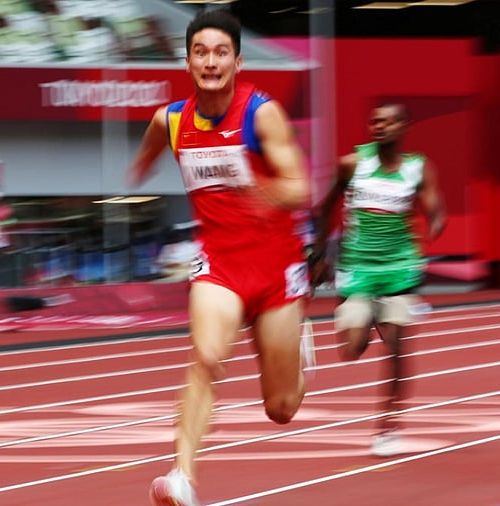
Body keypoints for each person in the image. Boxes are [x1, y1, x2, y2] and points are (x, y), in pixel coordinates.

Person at [126, 9, 311, 506]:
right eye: (201, 52)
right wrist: (139, 169)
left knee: (281, 408)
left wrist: (266, 193)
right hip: (221, 265)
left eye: (221, 52)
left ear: (237, 60)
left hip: (275, 269)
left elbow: (301, 187)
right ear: (187, 61)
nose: (211, 61)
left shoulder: (259, 113)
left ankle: (297, 354)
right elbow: (150, 148)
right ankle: (181, 476)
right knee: (205, 358)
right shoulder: (170, 120)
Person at [311, 103, 446, 457]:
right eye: (374, 121)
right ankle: (367, 313)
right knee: (351, 350)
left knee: (399, 350)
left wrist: (435, 219)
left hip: (399, 268)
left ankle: (388, 425)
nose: (380, 127)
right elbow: (325, 207)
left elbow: (434, 204)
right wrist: (320, 252)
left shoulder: (418, 168)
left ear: (404, 126)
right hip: (358, 268)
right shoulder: (352, 165)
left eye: (388, 121)